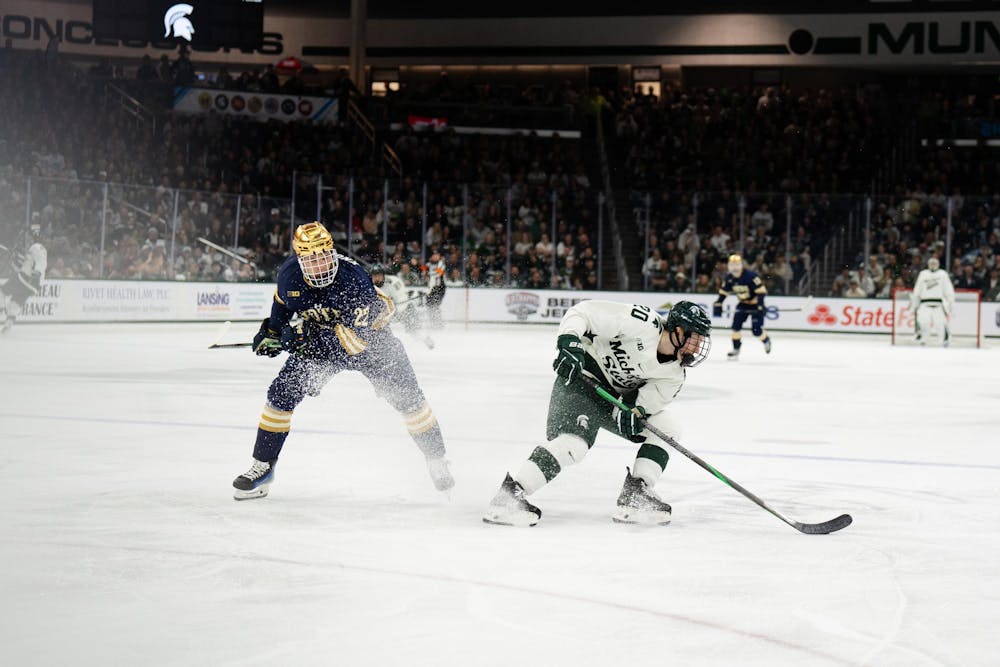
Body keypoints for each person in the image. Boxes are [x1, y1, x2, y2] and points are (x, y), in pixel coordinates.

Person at [232, 222, 454, 500]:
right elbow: (283, 301)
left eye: (324, 255)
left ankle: (436, 458)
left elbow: (353, 344)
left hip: (373, 345)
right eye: (311, 259)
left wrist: (301, 339)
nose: (321, 264)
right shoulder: (289, 274)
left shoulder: (354, 279)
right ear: (300, 259)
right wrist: (273, 331)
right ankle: (263, 467)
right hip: (323, 341)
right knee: (281, 394)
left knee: (410, 401)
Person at [483, 300, 712, 527]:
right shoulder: (640, 322)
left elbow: (645, 402)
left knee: (668, 427)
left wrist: (635, 412)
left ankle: (637, 494)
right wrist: (569, 341)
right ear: (678, 331)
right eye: (695, 338)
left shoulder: (674, 375)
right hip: (580, 381)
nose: (698, 346)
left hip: (613, 400)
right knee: (574, 445)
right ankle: (510, 496)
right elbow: (583, 312)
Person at [712, 253, 771, 359]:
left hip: (755, 304)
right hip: (742, 304)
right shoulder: (729, 278)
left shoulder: (751, 276)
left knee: (756, 330)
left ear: (741, 265)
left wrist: (760, 304)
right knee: (735, 327)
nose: (735, 268)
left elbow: (761, 292)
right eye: (732, 265)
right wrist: (719, 302)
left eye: (737, 265)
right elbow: (724, 291)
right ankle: (736, 348)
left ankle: (766, 341)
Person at [369, 263, 435, 349]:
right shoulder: (369, 285)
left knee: (413, 329)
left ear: (383, 275)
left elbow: (401, 299)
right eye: (374, 276)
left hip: (405, 308)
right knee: (378, 330)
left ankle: (425, 339)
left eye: (379, 275)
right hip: (385, 312)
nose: (377, 278)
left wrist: (392, 310)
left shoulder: (393, 282)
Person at [0, 224, 47, 335]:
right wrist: (15, 259)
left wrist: (36, 274)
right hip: (32, 287)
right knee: (15, 301)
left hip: (26, 279)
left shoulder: (37, 247)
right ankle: (8, 325)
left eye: (29, 235)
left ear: (34, 236)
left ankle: (1, 310)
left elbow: (40, 263)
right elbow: (26, 265)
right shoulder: (34, 249)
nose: (27, 238)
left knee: (1, 291)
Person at [909, 256, 955, 346]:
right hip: (924, 303)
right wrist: (915, 303)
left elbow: (948, 289)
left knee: (940, 323)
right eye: (931, 264)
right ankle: (924, 339)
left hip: (938, 303)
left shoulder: (943, 274)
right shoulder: (923, 274)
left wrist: (951, 302)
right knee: (923, 321)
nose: (933, 265)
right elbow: (917, 289)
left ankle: (943, 340)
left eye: (935, 264)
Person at [423, 252, 446, 328]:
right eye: (434, 255)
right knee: (429, 304)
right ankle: (433, 322)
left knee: (435, 304)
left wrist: (428, 273)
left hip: (439, 287)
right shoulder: (428, 264)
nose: (435, 257)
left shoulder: (441, 264)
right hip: (430, 288)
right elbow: (422, 272)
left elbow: (438, 274)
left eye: (437, 255)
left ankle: (438, 322)